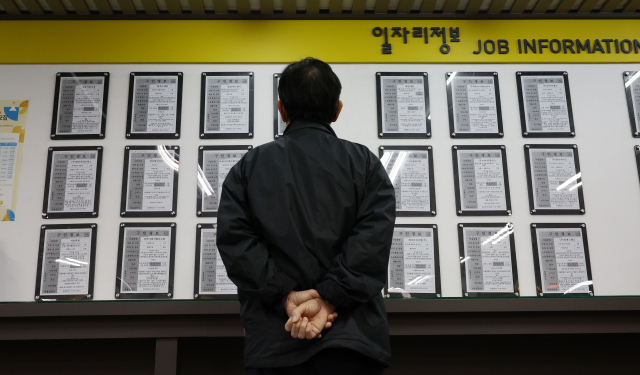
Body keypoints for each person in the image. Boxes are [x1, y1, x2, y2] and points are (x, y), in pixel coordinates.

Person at [216, 57, 396, 375]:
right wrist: (328, 299)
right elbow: (371, 244)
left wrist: (285, 297)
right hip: (352, 344)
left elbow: (237, 244)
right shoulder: (366, 165)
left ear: (281, 109)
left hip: (275, 341)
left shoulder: (248, 167)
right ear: (337, 109)